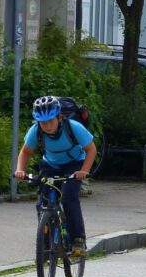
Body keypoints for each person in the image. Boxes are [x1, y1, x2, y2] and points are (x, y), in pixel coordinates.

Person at [14, 96, 97, 256]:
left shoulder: (74, 127)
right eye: (43, 122)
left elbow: (91, 149)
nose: (47, 126)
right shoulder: (36, 131)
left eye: (51, 121)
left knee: (68, 198)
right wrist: (20, 170)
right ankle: (45, 245)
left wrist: (84, 171)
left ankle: (77, 240)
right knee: (43, 202)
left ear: (59, 117)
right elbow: (25, 152)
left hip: (74, 164)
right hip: (50, 165)